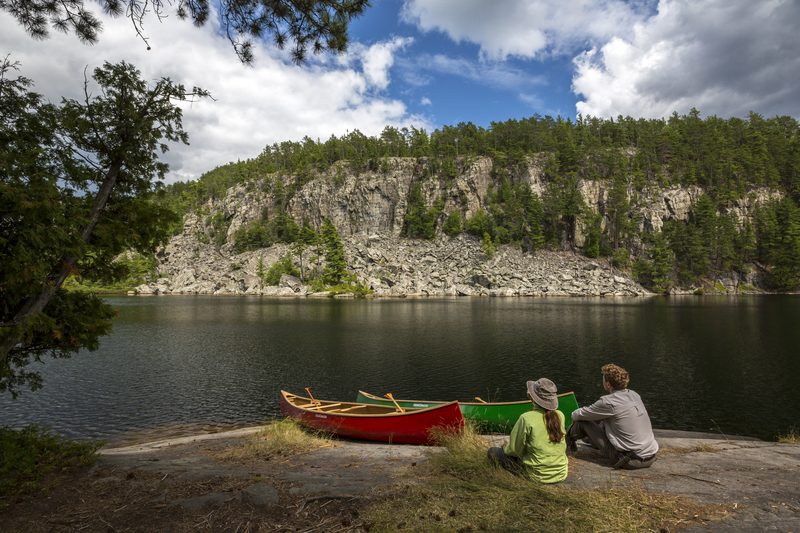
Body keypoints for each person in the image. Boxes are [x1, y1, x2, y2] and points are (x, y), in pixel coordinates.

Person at [567, 363, 658, 469]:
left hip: (629, 460)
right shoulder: (634, 395)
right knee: (603, 419)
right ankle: (588, 440)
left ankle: (567, 444)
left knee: (583, 422)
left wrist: (579, 412)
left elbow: (576, 415)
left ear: (608, 384)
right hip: (650, 457)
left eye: (603, 379)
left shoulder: (608, 402)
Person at [487, 378, 568, 483]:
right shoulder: (560, 415)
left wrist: (505, 447)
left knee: (493, 452)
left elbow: (514, 451)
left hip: (537, 476)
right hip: (561, 473)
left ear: (533, 398)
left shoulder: (526, 418)